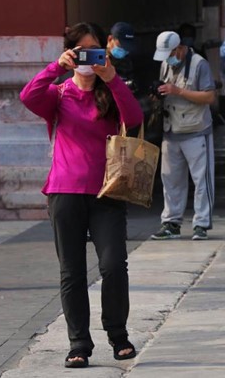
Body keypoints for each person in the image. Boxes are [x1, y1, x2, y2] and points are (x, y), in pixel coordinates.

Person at [20, 22, 143, 368]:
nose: (88, 59)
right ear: (71, 53)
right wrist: (55, 67)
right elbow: (28, 96)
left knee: (114, 265)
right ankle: (78, 344)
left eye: (95, 51)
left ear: (104, 50)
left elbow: (133, 118)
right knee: (72, 272)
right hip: (64, 192)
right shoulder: (58, 95)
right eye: (81, 51)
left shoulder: (110, 91)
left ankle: (118, 334)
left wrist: (111, 77)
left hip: (107, 193)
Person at [150, 30, 216, 241]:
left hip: (196, 131)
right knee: (170, 179)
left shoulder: (199, 64)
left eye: (169, 53)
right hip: (171, 130)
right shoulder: (165, 64)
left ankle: (201, 224)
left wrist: (177, 91)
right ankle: (171, 223)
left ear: (180, 49)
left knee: (202, 180)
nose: (166, 58)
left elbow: (209, 96)